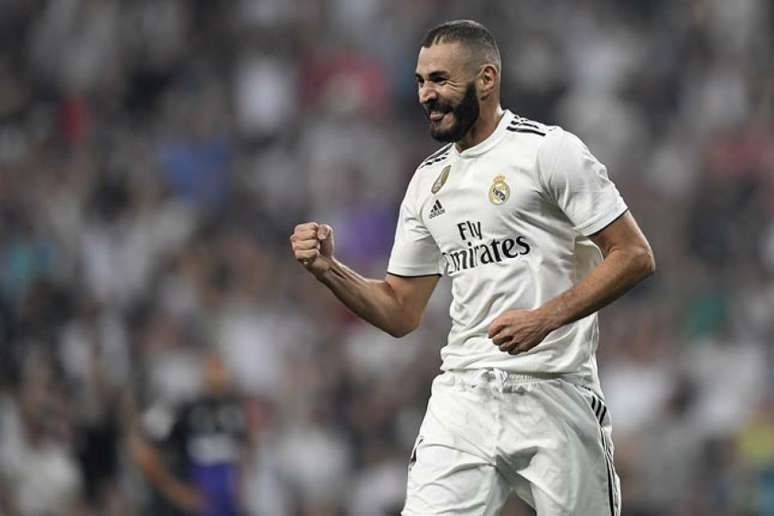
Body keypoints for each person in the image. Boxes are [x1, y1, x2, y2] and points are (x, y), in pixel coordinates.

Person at [290, 19, 655, 516]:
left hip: (556, 390)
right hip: (464, 395)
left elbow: (634, 255)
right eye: (420, 81)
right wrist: (330, 271)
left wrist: (544, 318)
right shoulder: (427, 182)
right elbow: (400, 311)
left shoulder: (548, 151)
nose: (426, 94)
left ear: (486, 79)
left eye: (440, 80)